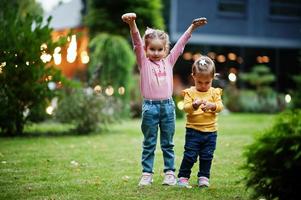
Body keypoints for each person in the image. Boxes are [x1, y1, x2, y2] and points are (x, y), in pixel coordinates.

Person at [121, 12, 208, 186]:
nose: (156, 52)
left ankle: (169, 173)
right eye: (152, 49)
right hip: (150, 108)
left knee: (168, 143)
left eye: (160, 49)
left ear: (165, 50)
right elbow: (137, 42)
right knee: (149, 143)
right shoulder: (143, 63)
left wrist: (192, 27)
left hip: (167, 108)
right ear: (146, 50)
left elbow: (181, 45)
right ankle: (147, 173)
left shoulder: (168, 62)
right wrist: (132, 24)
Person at [177, 56, 223, 188]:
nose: (203, 86)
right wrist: (194, 106)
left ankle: (203, 176)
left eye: (207, 82)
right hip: (193, 131)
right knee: (190, 155)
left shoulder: (215, 93)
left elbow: (220, 107)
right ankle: (183, 177)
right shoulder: (190, 93)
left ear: (213, 78)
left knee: (207, 156)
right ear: (193, 77)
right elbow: (186, 108)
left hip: (211, 132)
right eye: (199, 82)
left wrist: (212, 106)